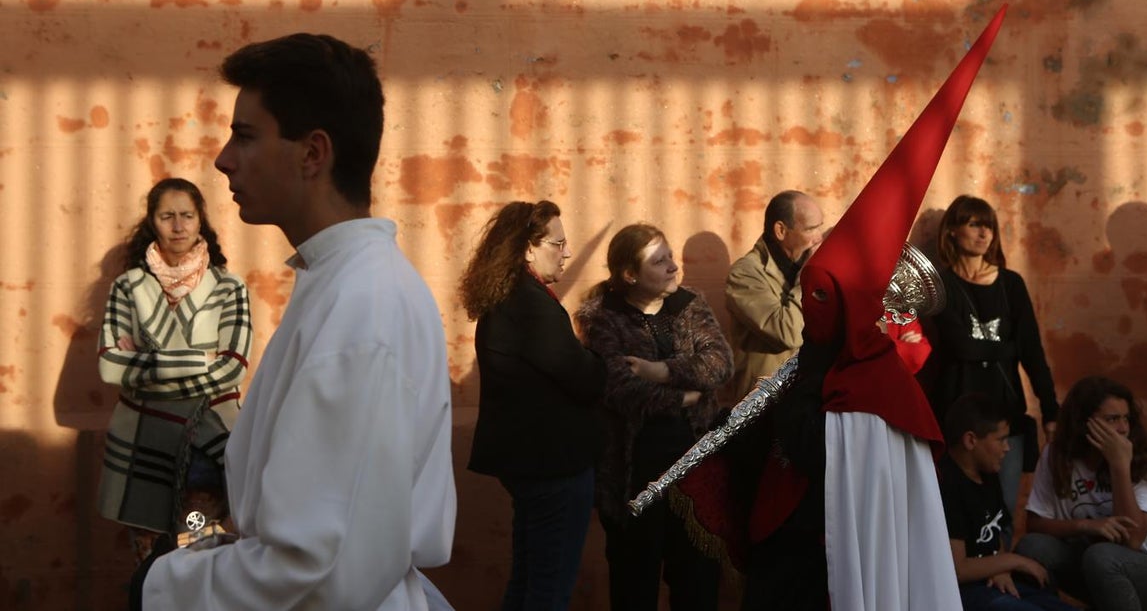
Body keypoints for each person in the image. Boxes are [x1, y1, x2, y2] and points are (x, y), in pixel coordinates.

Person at [675, 5, 1009, 611]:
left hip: (811, 550)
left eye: (823, 295)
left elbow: (814, 454)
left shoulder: (856, 385)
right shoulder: (826, 352)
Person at [133, 33, 457, 610]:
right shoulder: (341, 284)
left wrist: (162, 583)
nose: (223, 158)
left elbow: (315, 570)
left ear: (312, 154)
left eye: (246, 135)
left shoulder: (362, 306)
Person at [574, 223, 732, 611]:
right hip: (635, 475)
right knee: (635, 584)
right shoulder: (603, 318)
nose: (673, 267)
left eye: (671, 257)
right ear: (630, 275)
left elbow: (720, 364)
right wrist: (685, 396)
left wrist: (659, 371)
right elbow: (621, 390)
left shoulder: (690, 304)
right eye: (659, 261)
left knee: (697, 583)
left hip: (695, 472)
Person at [460, 200, 606, 611]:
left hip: (530, 464)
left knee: (529, 578)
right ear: (528, 248)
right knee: (548, 589)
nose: (567, 252)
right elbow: (584, 377)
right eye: (557, 243)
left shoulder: (509, 298)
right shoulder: (530, 305)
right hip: (552, 465)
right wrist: (597, 358)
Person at [97, 177, 252, 559]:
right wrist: (200, 361)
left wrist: (146, 372)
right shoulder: (127, 288)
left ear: (201, 222)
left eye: (187, 215)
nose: (178, 226)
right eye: (167, 216)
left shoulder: (229, 288)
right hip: (143, 452)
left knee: (197, 549)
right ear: (153, 222)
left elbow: (233, 369)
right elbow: (109, 368)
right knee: (149, 559)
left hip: (207, 450)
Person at [927, 194, 1060, 547]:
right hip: (955, 417)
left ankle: (999, 579)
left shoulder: (1011, 284)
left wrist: (1050, 409)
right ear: (953, 231)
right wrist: (1008, 348)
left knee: (1002, 510)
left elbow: (1032, 352)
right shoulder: (940, 286)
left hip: (1006, 417)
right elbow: (961, 347)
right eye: (974, 224)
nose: (984, 233)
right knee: (950, 511)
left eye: (989, 226)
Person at [1014, 375, 1147, 611]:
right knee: (1032, 547)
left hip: (1139, 566)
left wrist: (1119, 465)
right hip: (1089, 561)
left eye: (1126, 419)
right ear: (1084, 422)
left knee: (1102, 556)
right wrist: (1086, 526)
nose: (1123, 428)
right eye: (1112, 419)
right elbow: (1034, 523)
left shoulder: (1139, 457)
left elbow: (1134, 539)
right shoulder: (1056, 455)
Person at [939, 393, 1078, 611]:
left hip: (993, 577)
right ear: (971, 440)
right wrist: (1014, 562)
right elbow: (958, 569)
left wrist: (1001, 569)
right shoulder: (947, 485)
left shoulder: (987, 471)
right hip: (964, 591)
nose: (1007, 448)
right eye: (1001, 439)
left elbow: (995, 535)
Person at [725, 190, 823, 400]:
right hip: (764, 406)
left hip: (809, 398)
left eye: (820, 227)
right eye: (811, 229)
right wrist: (808, 276)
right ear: (780, 230)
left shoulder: (804, 266)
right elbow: (787, 332)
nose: (819, 238)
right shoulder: (745, 275)